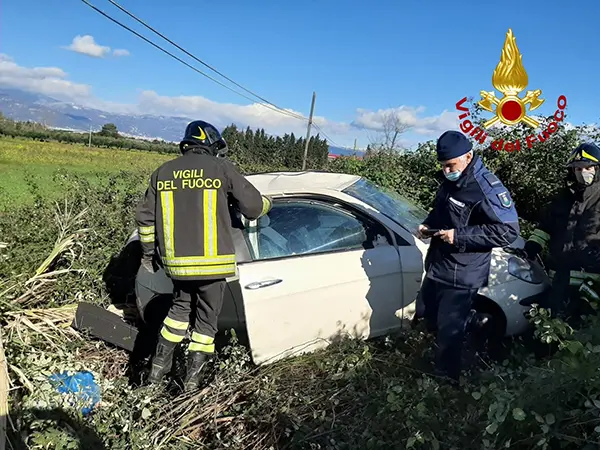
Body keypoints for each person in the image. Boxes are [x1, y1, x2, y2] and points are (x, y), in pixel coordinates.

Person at [135, 120, 272, 390]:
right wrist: (269, 203)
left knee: (177, 313)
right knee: (205, 325)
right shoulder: (220, 168)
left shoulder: (163, 172)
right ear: (210, 145)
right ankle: (190, 386)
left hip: (178, 268)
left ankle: (155, 378)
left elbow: (146, 222)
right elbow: (254, 208)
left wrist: (149, 256)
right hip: (212, 268)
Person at [416, 130, 520, 382]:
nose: (446, 170)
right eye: (443, 166)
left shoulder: (486, 188)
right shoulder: (452, 180)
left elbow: (508, 231)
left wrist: (459, 236)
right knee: (425, 312)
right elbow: (440, 211)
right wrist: (427, 224)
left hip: (463, 272)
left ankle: (446, 380)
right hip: (440, 264)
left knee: (448, 331)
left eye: (450, 165)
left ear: (468, 156)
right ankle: (477, 321)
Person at [524, 142, 600, 320]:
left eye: (588, 167)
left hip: (594, 280)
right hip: (561, 277)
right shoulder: (564, 197)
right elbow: (546, 226)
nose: (583, 172)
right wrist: (533, 244)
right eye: (577, 168)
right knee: (554, 327)